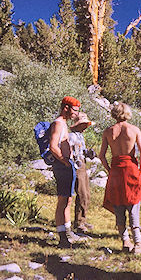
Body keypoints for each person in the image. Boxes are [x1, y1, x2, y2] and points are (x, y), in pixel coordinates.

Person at [99, 102, 141, 254]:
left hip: (116, 170)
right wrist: (139, 171)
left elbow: (101, 155)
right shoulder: (133, 130)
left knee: (118, 204)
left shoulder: (108, 132)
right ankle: (138, 242)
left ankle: (125, 241)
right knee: (133, 203)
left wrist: (109, 170)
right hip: (131, 169)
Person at [49, 96, 83, 248]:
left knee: (68, 199)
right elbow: (53, 146)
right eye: (75, 110)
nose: (76, 113)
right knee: (63, 200)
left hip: (66, 165)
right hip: (62, 166)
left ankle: (68, 232)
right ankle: (62, 235)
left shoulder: (63, 123)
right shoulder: (58, 123)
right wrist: (64, 161)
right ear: (66, 108)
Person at [68, 112, 96, 233]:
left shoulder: (80, 136)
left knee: (87, 194)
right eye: (84, 124)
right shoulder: (72, 136)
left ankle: (82, 220)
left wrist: (88, 153)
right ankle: (79, 222)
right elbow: (70, 151)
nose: (86, 127)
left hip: (82, 165)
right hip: (76, 166)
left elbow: (80, 151)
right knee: (82, 193)